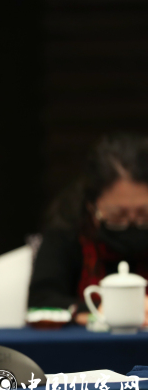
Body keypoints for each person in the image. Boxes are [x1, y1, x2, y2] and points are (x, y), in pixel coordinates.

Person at [28, 133, 148, 325]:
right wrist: (103, 311)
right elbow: (42, 302)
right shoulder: (66, 230)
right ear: (92, 207)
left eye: (144, 214)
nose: (131, 224)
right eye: (118, 216)